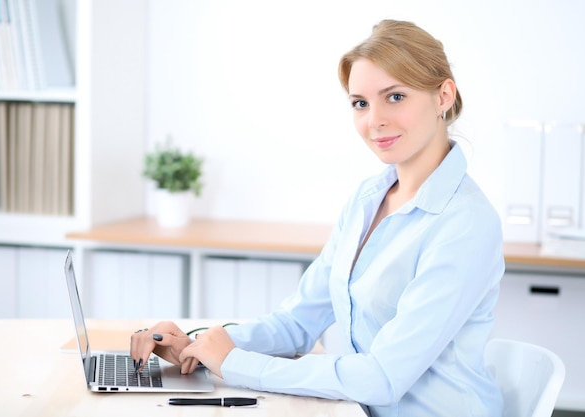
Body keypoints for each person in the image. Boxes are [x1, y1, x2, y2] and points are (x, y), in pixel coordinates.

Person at [130, 19, 504, 417]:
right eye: (360, 103)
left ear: (444, 95)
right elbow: (297, 322)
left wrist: (235, 363)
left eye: (395, 97)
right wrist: (199, 345)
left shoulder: (465, 224)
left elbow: (383, 378)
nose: (373, 120)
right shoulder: (367, 199)